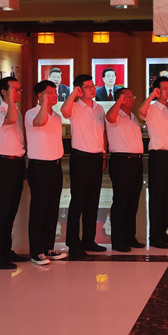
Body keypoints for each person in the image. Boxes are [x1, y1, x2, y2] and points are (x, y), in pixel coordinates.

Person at [60, 74, 107, 259]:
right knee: (77, 201)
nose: (93, 89)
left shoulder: (99, 108)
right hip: (81, 158)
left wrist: (104, 155)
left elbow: (102, 133)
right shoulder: (75, 107)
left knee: (93, 202)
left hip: (97, 158)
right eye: (88, 87)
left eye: (93, 86)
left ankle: (89, 240)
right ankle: (73, 244)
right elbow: (64, 112)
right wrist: (74, 94)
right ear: (79, 89)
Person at [24, 80, 68, 265]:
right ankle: (36, 251)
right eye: (50, 93)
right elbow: (40, 122)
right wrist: (44, 104)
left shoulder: (56, 116)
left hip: (55, 166)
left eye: (55, 92)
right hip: (39, 167)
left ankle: (48, 247)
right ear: (40, 96)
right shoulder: (31, 113)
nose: (55, 95)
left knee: (52, 209)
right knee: (39, 209)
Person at [0, 76, 28, 269]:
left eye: (19, 90)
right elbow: (10, 120)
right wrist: (11, 100)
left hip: (17, 163)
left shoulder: (16, 110)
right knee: (1, 210)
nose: (18, 93)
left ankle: (6, 250)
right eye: (14, 89)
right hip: (4, 164)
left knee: (11, 210)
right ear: (4, 92)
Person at [138, 77, 168, 249]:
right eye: (164, 88)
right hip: (158, 156)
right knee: (157, 196)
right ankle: (155, 235)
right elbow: (141, 112)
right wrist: (151, 96)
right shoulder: (152, 109)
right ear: (157, 90)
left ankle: (163, 232)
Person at [105, 88, 145, 252]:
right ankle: (118, 240)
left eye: (132, 95)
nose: (132, 98)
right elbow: (110, 118)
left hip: (136, 161)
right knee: (121, 201)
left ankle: (130, 236)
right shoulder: (114, 115)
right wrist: (118, 102)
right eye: (128, 96)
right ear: (120, 99)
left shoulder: (133, 117)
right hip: (122, 161)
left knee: (133, 201)